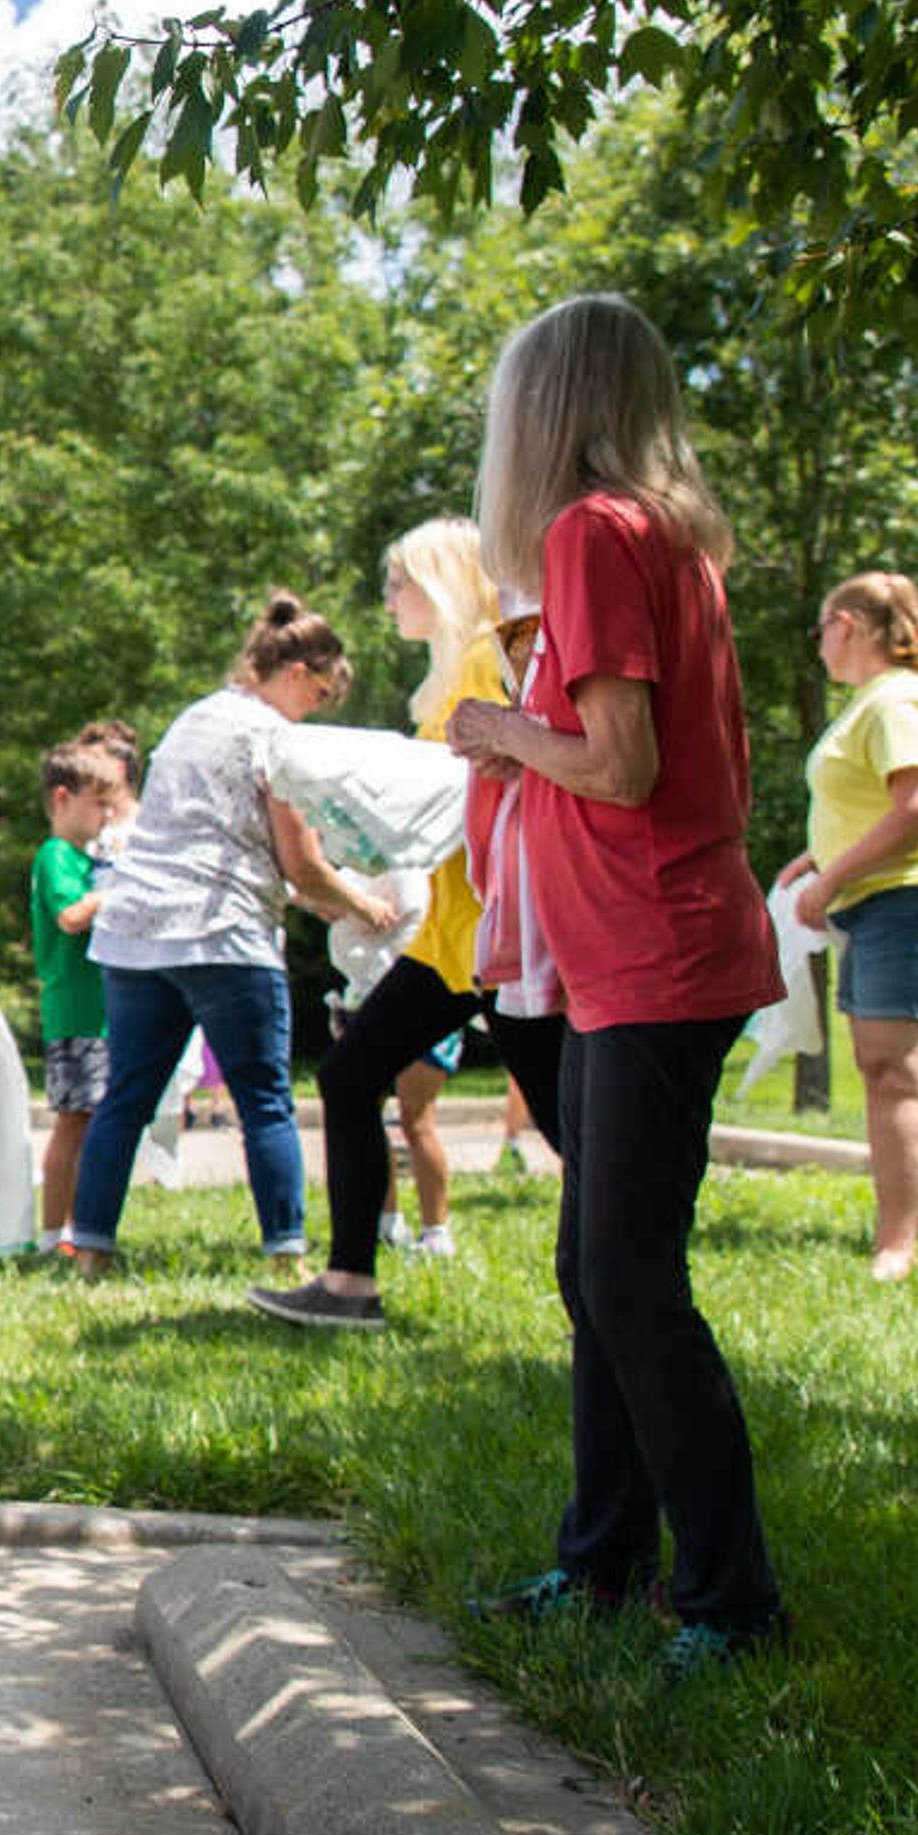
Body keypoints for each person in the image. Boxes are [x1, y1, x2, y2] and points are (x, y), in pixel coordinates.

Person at [443, 291, 789, 1675]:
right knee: (598, 1275)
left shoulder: (592, 534)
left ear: (546, 411)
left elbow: (622, 762)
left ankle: (731, 1601)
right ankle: (600, 1566)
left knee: (629, 1281)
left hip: (654, 947)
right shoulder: (667, 538)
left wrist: (495, 726)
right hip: (627, 953)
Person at [251, 521, 567, 1328]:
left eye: (401, 581)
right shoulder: (455, 672)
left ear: (443, 582)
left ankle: (622, 1294)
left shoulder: (485, 660)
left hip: (497, 934)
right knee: (352, 1074)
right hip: (457, 933)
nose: (389, 597)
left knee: (573, 1123)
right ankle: (350, 1285)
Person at [63, 598, 400, 1274]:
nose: (317, 707)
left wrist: (314, 897)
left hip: (136, 929)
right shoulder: (274, 736)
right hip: (221, 932)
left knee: (126, 1096)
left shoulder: (194, 719)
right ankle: (285, 1256)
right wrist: (364, 902)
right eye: (320, 691)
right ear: (296, 671)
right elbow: (299, 860)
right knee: (264, 1100)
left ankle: (89, 1251)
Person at [774, 572, 918, 1281]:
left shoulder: (897, 699)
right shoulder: (881, 701)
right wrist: (818, 858)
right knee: (899, 1068)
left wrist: (833, 879)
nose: (818, 649)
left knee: (893, 1069)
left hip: (915, 895)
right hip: (896, 896)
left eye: (820, 632)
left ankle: (896, 1245)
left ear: (847, 623)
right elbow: (878, 801)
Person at [31, 740, 130, 1252]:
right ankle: (54, 1233)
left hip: (100, 1012)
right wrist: (113, 890)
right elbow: (70, 918)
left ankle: (78, 1226)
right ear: (63, 799)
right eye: (99, 804)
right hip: (76, 1011)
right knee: (74, 1121)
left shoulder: (83, 856)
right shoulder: (56, 856)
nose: (107, 816)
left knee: (93, 1121)